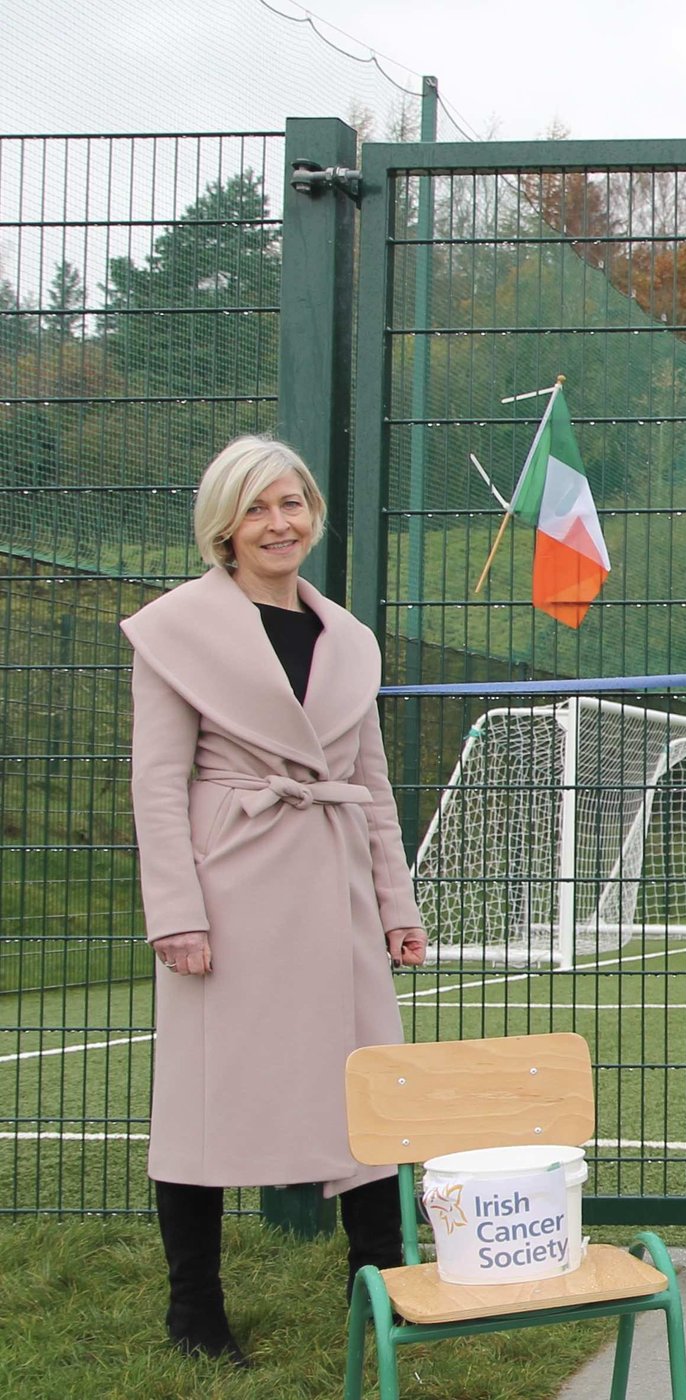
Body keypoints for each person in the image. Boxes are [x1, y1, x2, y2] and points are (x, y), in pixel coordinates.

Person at [122, 435, 427, 1365]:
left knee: (369, 1089)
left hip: (333, 892)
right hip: (231, 893)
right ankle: (195, 1313)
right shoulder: (175, 631)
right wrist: (176, 912)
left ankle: (377, 1282)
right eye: (256, 508)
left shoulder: (349, 638)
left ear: (313, 516)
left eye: (291, 504)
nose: (277, 523)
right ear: (225, 524)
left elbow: (370, 783)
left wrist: (396, 905)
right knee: (206, 1102)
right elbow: (157, 782)